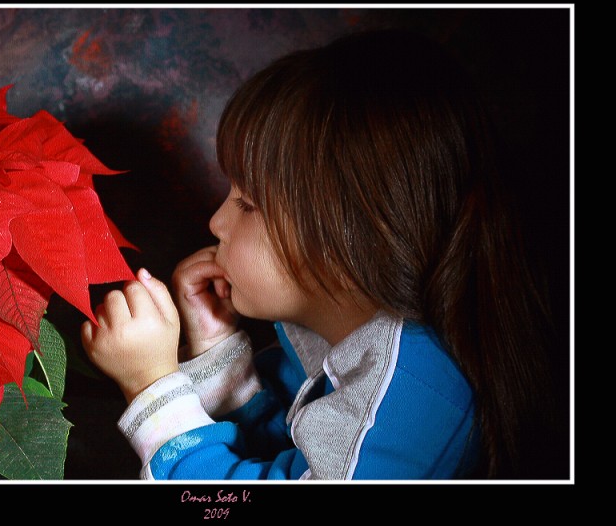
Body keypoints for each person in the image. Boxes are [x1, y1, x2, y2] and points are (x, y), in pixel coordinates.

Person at [81, 29, 565, 480]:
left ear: (348, 241)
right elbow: (288, 454)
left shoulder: (412, 397)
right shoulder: (352, 336)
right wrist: (218, 351)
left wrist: (149, 385)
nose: (216, 223)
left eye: (247, 205)